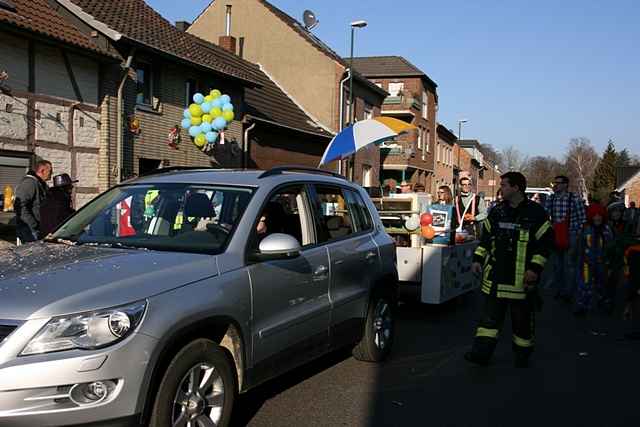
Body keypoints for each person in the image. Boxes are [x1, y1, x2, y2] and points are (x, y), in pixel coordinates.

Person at [465, 172, 554, 368]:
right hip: (495, 279)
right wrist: (477, 260)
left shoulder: (536, 213)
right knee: (488, 323)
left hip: (522, 281)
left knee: (522, 323)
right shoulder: (497, 211)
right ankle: (481, 354)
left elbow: (545, 245)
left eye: (504, 185)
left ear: (516, 188)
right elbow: (486, 240)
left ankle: (522, 356)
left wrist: (534, 269)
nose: (501, 188)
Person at [543, 175, 587, 302]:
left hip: (571, 235)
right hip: (556, 235)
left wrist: (577, 234)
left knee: (569, 264)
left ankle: (569, 292)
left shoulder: (574, 199)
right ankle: (559, 289)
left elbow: (582, 219)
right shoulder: (551, 199)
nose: (556, 185)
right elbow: (546, 216)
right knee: (557, 264)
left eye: (559, 183)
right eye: (555, 182)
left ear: (566, 185)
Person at [574, 203, 612, 316]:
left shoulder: (607, 230)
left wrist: (609, 262)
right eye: (594, 215)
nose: (597, 217)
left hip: (602, 263)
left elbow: (611, 248)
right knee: (585, 284)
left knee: (602, 284)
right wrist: (578, 259)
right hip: (587, 262)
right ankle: (583, 305)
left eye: (599, 215)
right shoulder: (586, 229)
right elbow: (580, 245)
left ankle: (603, 302)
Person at [14, 159, 52, 244]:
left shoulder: (40, 184)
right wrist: (33, 225)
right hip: (30, 230)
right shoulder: (30, 183)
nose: (51, 174)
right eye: (50, 171)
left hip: (35, 229)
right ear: (42, 171)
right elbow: (19, 206)